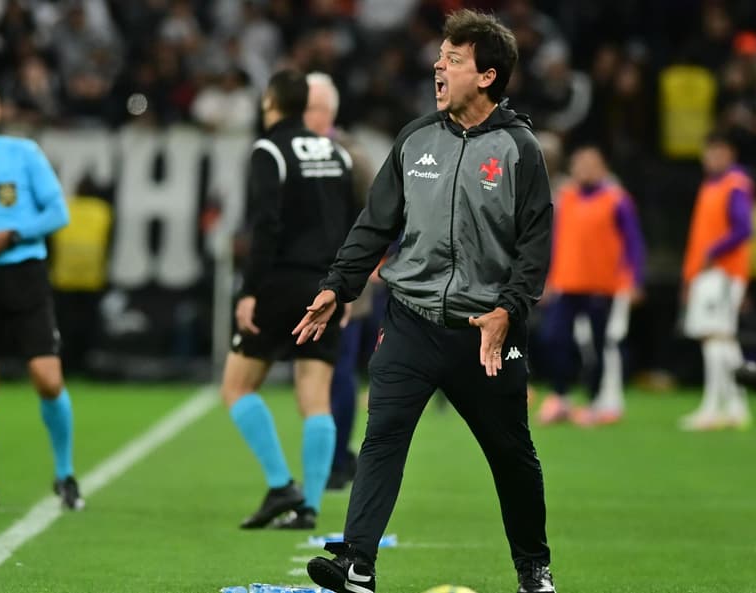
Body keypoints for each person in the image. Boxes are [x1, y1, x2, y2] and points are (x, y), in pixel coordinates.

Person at [294, 9, 557, 593]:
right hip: (409, 321)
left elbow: (536, 247)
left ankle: (534, 570)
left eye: (454, 58)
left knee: (511, 455)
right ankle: (357, 564)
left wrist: (509, 310)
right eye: (440, 55)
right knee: (382, 434)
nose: (438, 65)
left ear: (487, 76)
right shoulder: (416, 139)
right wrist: (339, 285)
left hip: (485, 331)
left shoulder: (520, 150)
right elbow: (375, 224)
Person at [220, 69, 356, 530]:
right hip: (325, 287)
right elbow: (351, 226)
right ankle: (310, 507)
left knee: (237, 386)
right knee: (315, 398)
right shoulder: (338, 154)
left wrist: (249, 291)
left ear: (271, 101)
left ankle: (281, 485)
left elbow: (266, 226)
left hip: (280, 284)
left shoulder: (269, 150)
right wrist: (345, 288)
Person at [0, 80, 83, 511]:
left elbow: (58, 212)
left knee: (47, 377)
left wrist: (13, 234)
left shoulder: (24, 154)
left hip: (24, 274)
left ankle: (65, 474)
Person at [537, 145, 646, 427]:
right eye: (579, 164)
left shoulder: (617, 199)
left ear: (602, 168)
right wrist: (548, 278)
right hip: (567, 284)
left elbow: (634, 243)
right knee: (553, 338)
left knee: (599, 346)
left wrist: (634, 280)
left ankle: (599, 401)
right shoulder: (565, 198)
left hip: (603, 286)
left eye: (590, 164)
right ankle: (560, 396)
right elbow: (556, 242)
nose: (584, 169)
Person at [303, 71, 374, 491]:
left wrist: (372, 265)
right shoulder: (289, 152)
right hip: (305, 281)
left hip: (346, 282)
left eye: (309, 106)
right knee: (311, 373)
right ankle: (328, 457)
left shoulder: (351, 155)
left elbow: (381, 214)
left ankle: (336, 459)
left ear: (327, 110)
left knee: (339, 370)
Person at [679, 131, 754, 431]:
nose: (713, 158)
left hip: (723, 272)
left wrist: (714, 252)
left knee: (716, 337)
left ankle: (714, 407)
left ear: (730, 154)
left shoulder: (736, 184)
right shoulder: (711, 185)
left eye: (719, 152)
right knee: (722, 339)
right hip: (706, 274)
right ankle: (734, 406)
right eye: (709, 153)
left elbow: (743, 228)